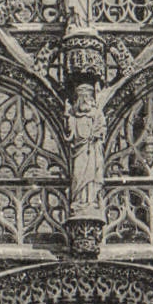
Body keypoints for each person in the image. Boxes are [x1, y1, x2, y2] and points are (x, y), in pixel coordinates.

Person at [65, 83, 106, 220]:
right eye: (81, 97)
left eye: (87, 97)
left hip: (92, 151)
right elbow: (70, 133)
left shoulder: (96, 114)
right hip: (79, 151)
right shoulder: (74, 115)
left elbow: (101, 128)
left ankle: (90, 202)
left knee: (91, 177)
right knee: (78, 175)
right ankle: (79, 202)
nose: (84, 100)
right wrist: (67, 115)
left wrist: (96, 134)